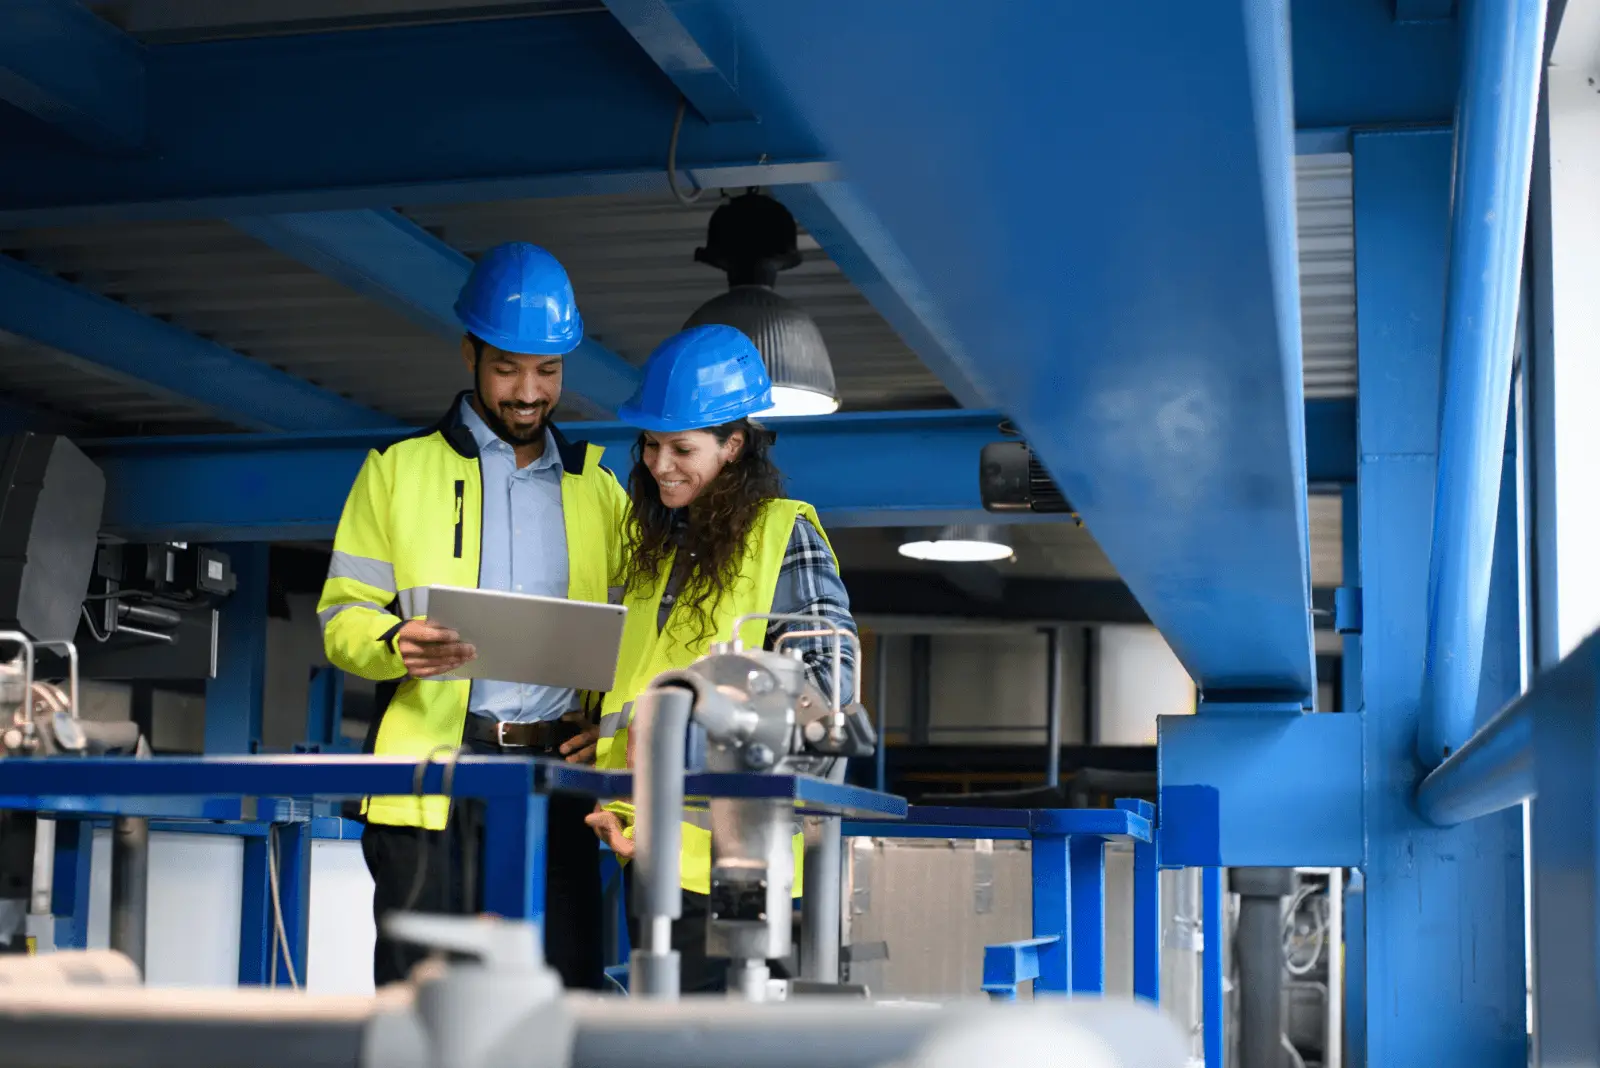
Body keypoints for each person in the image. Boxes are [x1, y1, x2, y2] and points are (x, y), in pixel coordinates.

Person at [316, 241, 629, 990]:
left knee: (564, 1002)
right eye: (507, 368)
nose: (528, 392)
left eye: (547, 372)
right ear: (469, 353)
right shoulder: (396, 473)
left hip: (559, 786)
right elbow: (340, 619)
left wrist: (609, 727)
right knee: (424, 1004)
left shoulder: (601, 491)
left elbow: (635, 640)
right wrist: (394, 641)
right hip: (432, 784)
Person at [584, 323, 858, 992]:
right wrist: (616, 804)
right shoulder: (655, 552)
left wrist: (694, 731)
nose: (659, 464)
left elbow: (826, 692)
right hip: (648, 852)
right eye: (650, 445)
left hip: (743, 864)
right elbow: (637, 700)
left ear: (734, 446)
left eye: (683, 448)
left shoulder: (781, 533)